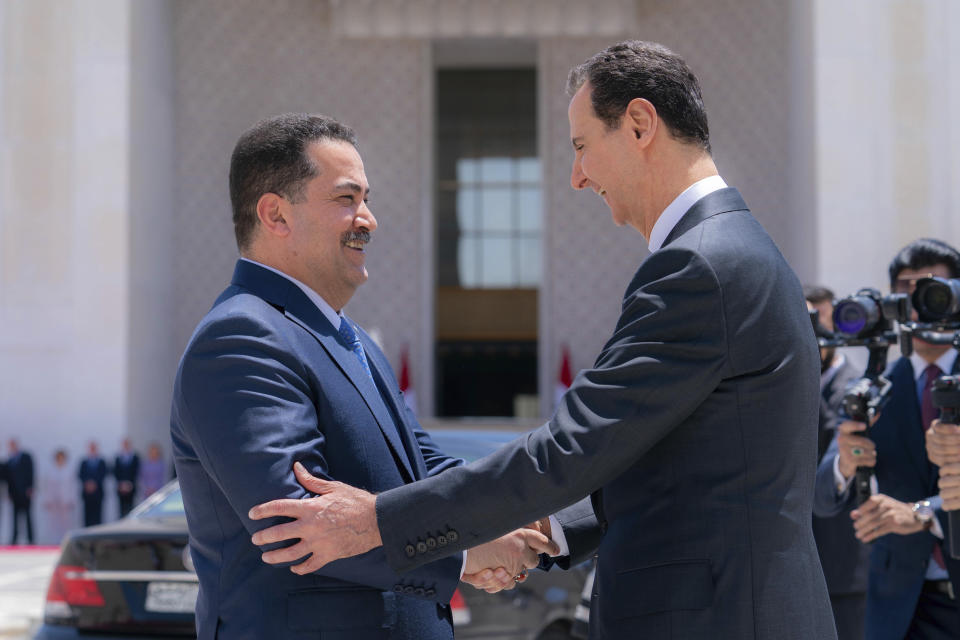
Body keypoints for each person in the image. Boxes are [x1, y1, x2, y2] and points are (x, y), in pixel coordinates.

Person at [247, 41, 835, 639]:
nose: (578, 177)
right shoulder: (731, 251)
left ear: (638, 125)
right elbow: (662, 463)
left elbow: (570, 449)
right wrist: (549, 529)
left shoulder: (699, 267)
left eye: (582, 147)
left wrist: (377, 522)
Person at [169, 113, 556, 640]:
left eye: (366, 199)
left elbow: (424, 467)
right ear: (275, 214)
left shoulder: (348, 339)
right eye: (346, 199)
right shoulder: (241, 338)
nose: (368, 219)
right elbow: (298, 524)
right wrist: (466, 553)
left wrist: (515, 517)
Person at [814, 238, 960, 639]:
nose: (917, 307)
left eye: (931, 292)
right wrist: (845, 464)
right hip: (901, 609)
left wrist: (921, 512)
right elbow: (823, 497)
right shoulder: (877, 388)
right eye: (904, 293)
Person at [806, 285, 870, 640]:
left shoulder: (857, 388)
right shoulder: (783, 383)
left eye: (823, 321)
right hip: (796, 562)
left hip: (845, 564)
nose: (818, 333)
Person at [41, 449, 76, 543]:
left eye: (62, 457)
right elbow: (46, 486)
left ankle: (67, 542)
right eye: (58, 458)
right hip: (53, 501)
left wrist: (72, 499)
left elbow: (73, 486)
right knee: (53, 523)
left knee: (66, 523)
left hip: (66, 500)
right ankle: (53, 541)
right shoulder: (50, 470)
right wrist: (46, 499)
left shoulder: (69, 470)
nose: (60, 459)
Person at [6, 439, 35, 545]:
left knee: (28, 517)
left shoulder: (26, 457)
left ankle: (31, 540)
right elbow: (8, 479)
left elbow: (31, 472)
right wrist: (9, 492)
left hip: (25, 492)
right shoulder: (9, 460)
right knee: (15, 518)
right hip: (14, 494)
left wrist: (31, 487)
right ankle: (14, 540)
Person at [78, 441, 107, 527]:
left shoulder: (102, 462)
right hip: (87, 494)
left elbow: (103, 474)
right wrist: (87, 483)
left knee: (98, 516)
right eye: (91, 448)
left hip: (98, 493)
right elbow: (81, 475)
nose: (92, 449)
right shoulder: (83, 462)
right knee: (87, 516)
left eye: (94, 448)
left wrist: (94, 484)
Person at [113, 438, 140, 517]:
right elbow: (116, 472)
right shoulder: (118, 458)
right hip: (121, 489)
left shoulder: (135, 457)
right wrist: (122, 484)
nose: (125, 446)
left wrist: (129, 484)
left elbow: (136, 472)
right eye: (124, 444)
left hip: (131, 488)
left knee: (131, 509)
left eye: (127, 444)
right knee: (121, 511)